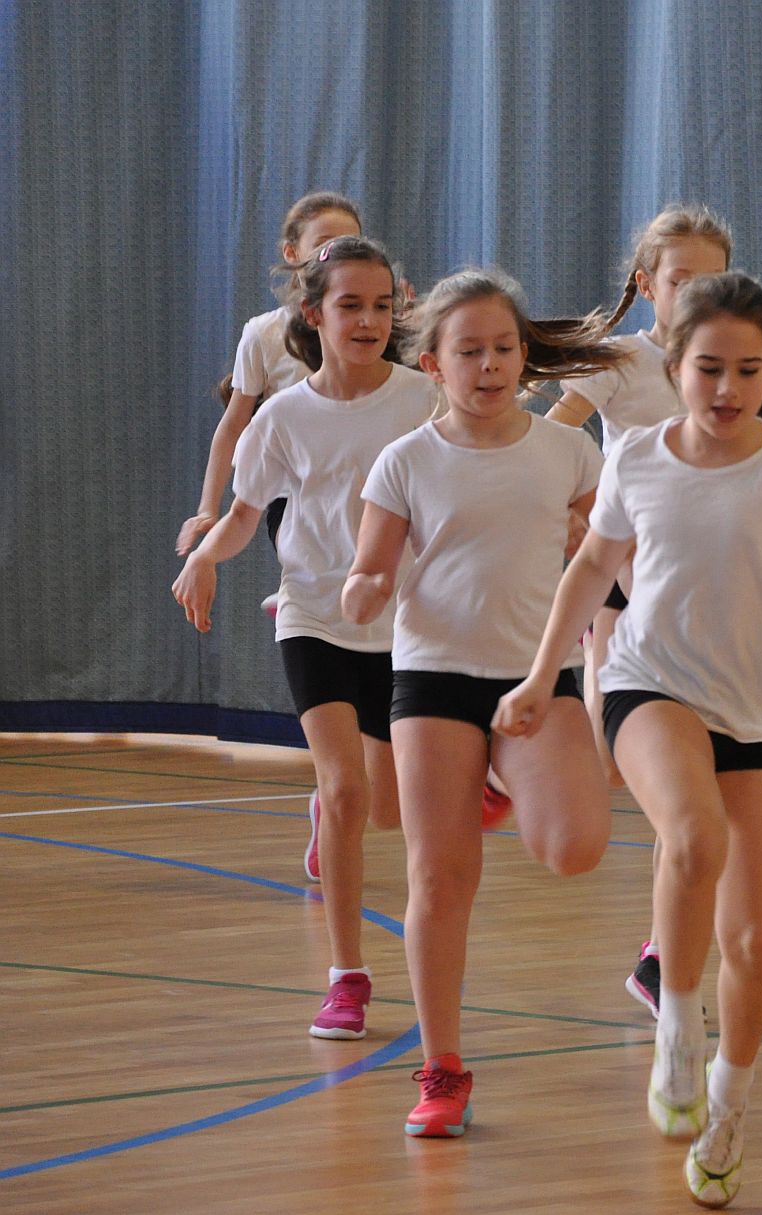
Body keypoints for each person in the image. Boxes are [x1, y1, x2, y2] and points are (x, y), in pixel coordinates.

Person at [496, 271, 762, 1207]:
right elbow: (592, 567)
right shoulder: (637, 457)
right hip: (649, 682)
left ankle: (727, 1111)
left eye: (747, 370)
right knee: (694, 835)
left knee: (756, 940)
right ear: (674, 365)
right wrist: (542, 675)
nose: (727, 387)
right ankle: (676, 1020)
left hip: (756, 710)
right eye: (709, 367)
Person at [344, 268, 621, 1137]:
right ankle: (443, 1068)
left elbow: (608, 557)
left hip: (537, 677)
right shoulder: (405, 461)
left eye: (504, 348)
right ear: (434, 364)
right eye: (470, 351)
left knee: (575, 847)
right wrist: (363, 589)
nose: (490, 364)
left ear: (525, 358)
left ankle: (496, 779)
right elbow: (369, 570)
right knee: (440, 877)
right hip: (432, 679)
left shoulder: (569, 453)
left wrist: (593, 542)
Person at [172, 235, 431, 1041]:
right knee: (349, 794)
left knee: (387, 806)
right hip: (313, 618)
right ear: (314, 315)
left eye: (381, 305)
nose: (368, 320)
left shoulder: (425, 401)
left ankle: (345, 794)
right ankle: (347, 977)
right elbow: (244, 514)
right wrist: (206, 558)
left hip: (404, 628)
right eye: (350, 305)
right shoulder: (283, 417)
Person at [547, 202, 734, 1019]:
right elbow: (555, 431)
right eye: (681, 279)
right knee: (613, 757)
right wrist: (572, 506)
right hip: (622, 567)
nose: (697, 294)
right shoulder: (622, 359)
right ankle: (512, 769)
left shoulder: (727, 362)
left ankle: (662, 953)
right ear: (648, 285)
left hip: (697, 581)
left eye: (712, 280)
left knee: (686, 779)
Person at [176, 190, 364, 881]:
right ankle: (301, 593)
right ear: (293, 256)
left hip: (362, 485)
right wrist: (208, 510)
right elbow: (234, 425)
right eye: (324, 246)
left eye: (349, 245)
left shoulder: (375, 326)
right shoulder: (266, 335)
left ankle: (332, 798)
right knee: (308, 520)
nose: (337, 256)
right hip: (291, 487)